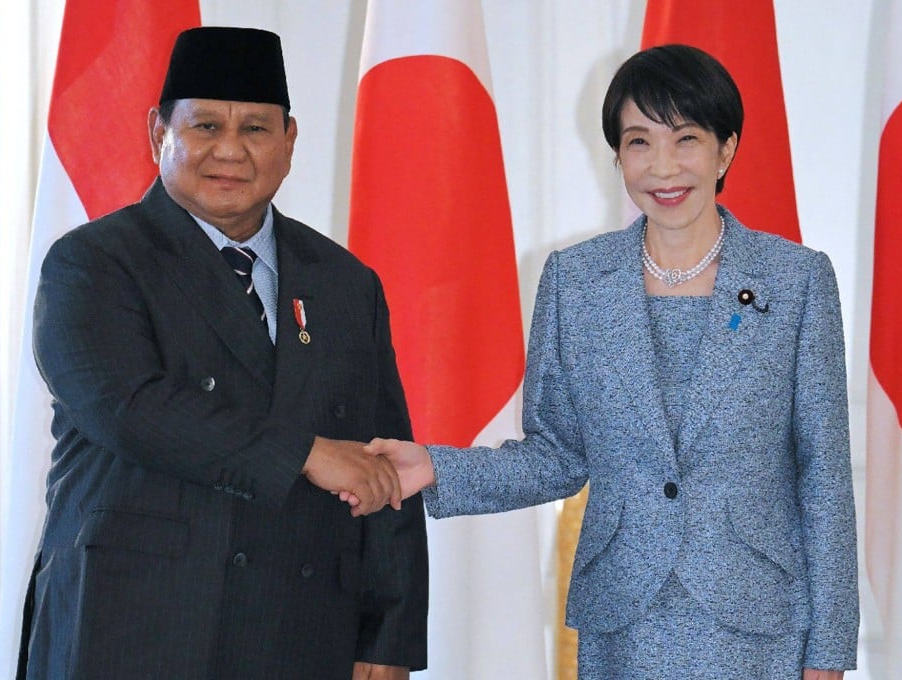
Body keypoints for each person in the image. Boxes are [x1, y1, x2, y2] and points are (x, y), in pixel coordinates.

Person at [364, 44, 858, 679]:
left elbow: (824, 477)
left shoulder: (797, 281)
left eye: (686, 139)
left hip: (759, 618)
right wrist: (433, 467)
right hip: (624, 618)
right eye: (639, 142)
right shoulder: (575, 281)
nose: (663, 167)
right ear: (618, 154)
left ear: (725, 150)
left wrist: (831, 648)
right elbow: (557, 455)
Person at [18, 27, 427, 680]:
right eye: (205, 125)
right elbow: (131, 409)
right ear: (159, 133)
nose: (229, 151)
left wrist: (389, 634)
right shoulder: (95, 264)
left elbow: (384, 460)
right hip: (132, 629)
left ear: (289, 142)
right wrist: (306, 453)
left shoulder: (346, 283)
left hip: (302, 631)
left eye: (256, 129)